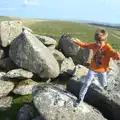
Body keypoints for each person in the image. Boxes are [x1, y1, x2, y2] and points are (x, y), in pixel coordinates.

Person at [72, 28, 120, 107]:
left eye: (99, 42)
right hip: (93, 69)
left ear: (104, 40)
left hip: (102, 71)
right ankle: (80, 99)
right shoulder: (94, 45)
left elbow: (115, 55)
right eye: (96, 41)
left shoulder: (108, 48)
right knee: (86, 83)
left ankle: (106, 86)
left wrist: (118, 56)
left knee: (103, 84)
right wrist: (76, 42)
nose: (97, 43)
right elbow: (85, 45)